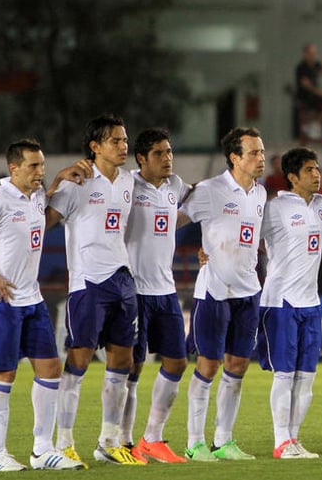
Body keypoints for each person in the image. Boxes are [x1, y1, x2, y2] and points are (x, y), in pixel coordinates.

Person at [0, 139, 88, 471]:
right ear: (14, 168)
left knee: (50, 369)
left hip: (33, 298)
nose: (39, 172)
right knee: (6, 372)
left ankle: (42, 450)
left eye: (42, 165)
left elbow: (44, 207)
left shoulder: (36, 197)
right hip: (0, 300)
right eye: (33, 166)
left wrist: (57, 180)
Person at [48, 115, 143, 466]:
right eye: (115, 141)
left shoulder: (130, 182)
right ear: (95, 146)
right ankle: (63, 443)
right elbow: (41, 221)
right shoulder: (76, 183)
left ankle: (107, 441)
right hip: (87, 282)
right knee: (78, 361)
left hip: (122, 278)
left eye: (124, 140)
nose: (123, 146)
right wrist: (56, 179)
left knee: (123, 361)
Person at [181, 127, 267, 461]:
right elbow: (173, 222)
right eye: (254, 153)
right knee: (208, 365)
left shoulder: (259, 194)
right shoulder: (210, 190)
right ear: (234, 157)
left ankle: (223, 440)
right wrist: (200, 250)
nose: (260, 158)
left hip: (248, 290)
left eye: (261, 152)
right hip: (214, 291)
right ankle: (193, 442)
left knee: (238, 365)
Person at [258, 147, 322, 459]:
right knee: (285, 374)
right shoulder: (275, 207)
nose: (316, 174)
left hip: (311, 303)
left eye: (317, 168)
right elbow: (248, 235)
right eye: (309, 170)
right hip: (281, 301)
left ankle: (293, 439)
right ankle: (281, 440)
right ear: (292, 177)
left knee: (306, 376)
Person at [119, 128, 191, 463]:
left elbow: (203, 204)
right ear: (141, 158)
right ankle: (123, 441)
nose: (168, 158)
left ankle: (153, 438)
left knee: (177, 361)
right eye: (159, 153)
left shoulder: (176, 186)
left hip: (166, 290)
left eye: (170, 151)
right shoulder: (126, 185)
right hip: (134, 290)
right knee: (131, 367)